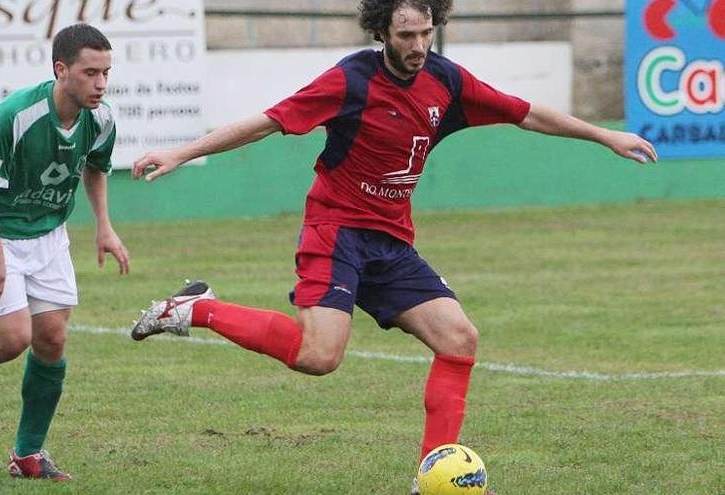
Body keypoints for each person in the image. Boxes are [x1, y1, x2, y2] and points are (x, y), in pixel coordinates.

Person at [130, 1, 657, 493]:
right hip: (335, 231)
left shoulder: (446, 82)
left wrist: (605, 136)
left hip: (391, 243)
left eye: (427, 31)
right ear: (382, 30)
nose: (419, 44)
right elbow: (267, 122)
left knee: (458, 338)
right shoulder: (350, 79)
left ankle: (432, 476)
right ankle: (197, 309)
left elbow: (526, 113)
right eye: (407, 34)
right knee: (318, 357)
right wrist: (183, 151)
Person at [0, 23, 130, 481]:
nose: (100, 84)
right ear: (61, 70)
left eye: (106, 73)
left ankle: (27, 455)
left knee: (52, 339)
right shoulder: (16, 115)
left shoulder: (102, 119)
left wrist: (104, 226)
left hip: (48, 233)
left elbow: (96, 169)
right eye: (90, 73)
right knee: (11, 339)